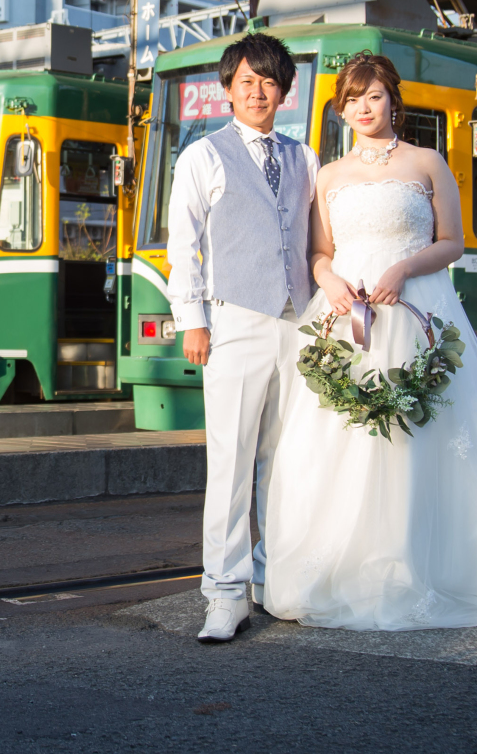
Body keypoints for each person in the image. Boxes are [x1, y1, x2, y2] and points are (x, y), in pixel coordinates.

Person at [264, 51, 477, 630]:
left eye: (373, 96)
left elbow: (455, 242)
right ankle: (352, 562)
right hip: (349, 316)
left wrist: (404, 269)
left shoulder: (428, 163)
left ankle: (427, 561)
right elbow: (318, 252)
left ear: (392, 100)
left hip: (417, 307)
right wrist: (331, 282)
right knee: (342, 436)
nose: (363, 109)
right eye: (351, 100)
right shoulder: (329, 174)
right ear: (341, 109)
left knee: (427, 432)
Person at [167, 32, 320, 642]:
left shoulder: (305, 157)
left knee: (286, 463)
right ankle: (224, 594)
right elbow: (184, 246)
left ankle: (274, 581)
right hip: (233, 321)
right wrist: (192, 321)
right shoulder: (202, 156)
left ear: (285, 90)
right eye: (247, 82)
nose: (258, 91)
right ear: (227, 90)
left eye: (269, 81)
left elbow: (315, 241)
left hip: (300, 326)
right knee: (230, 464)